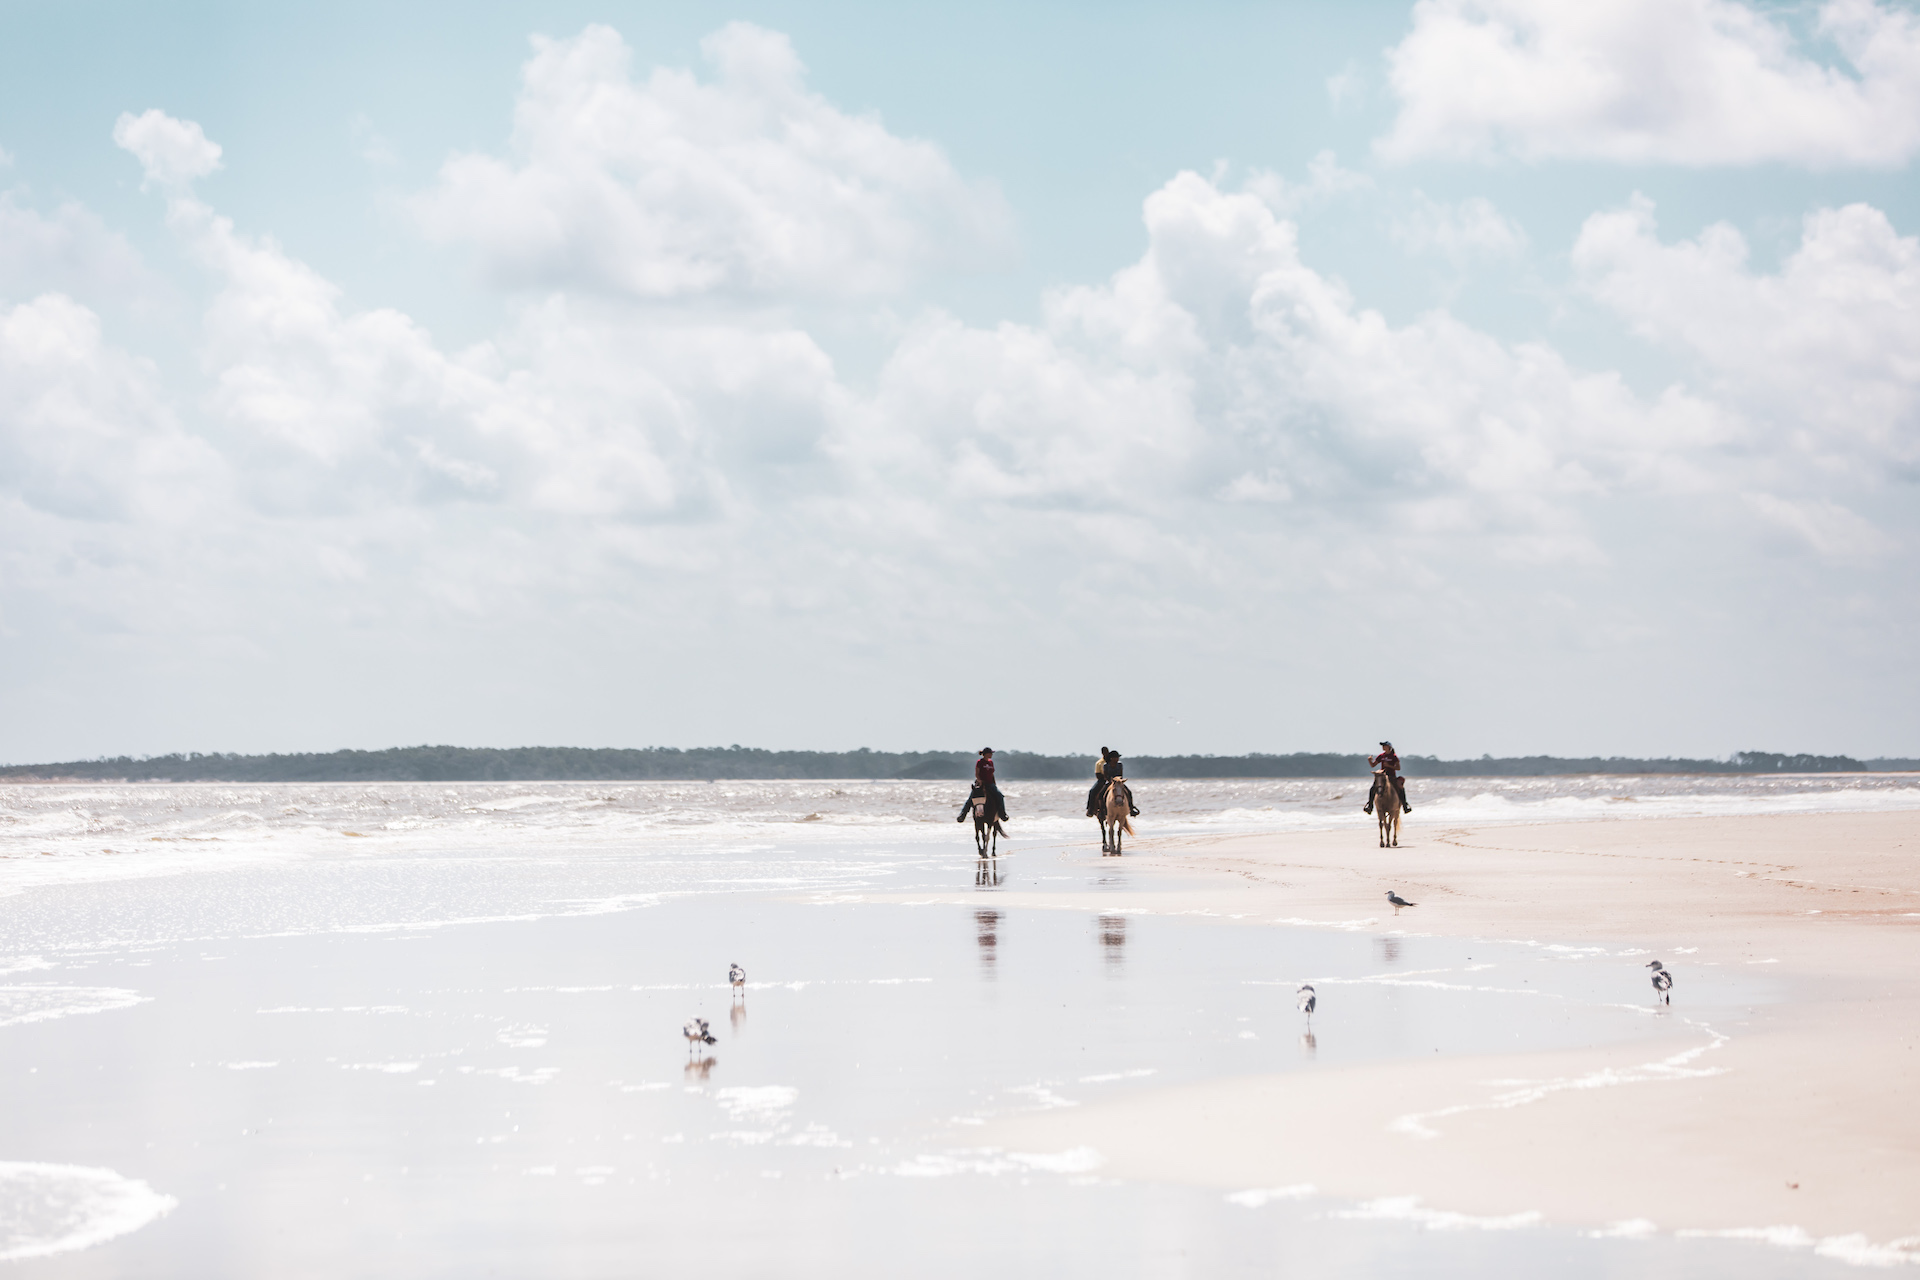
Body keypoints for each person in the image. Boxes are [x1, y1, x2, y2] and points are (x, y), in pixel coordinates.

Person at [956, 747, 1010, 824]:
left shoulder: (991, 762)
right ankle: (962, 815)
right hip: (981, 783)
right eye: (990, 753)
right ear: (986, 754)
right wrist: (979, 781)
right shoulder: (980, 762)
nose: (991, 754)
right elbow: (977, 773)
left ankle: (1002, 814)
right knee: (971, 799)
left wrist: (994, 784)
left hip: (990, 783)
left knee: (1000, 796)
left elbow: (992, 774)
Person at [1363, 740, 1412, 815]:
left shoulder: (1394, 757)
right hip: (1382, 776)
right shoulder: (1381, 756)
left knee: (1400, 787)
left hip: (1391, 776)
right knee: (1373, 788)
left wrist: (1389, 766)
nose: (1383, 747)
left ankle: (1405, 806)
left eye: (1384, 746)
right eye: (1382, 746)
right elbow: (1373, 765)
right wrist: (1369, 761)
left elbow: (1398, 768)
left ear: (1389, 747)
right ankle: (1370, 806)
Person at [1085, 746, 1111, 818]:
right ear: (1102, 753)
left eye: (1107, 752)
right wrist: (1105, 777)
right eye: (1104, 752)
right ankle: (1090, 809)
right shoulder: (1099, 763)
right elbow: (1097, 774)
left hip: (1113, 780)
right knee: (1092, 791)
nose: (1106, 753)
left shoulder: (1112, 761)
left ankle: (1130, 808)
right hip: (1102, 780)